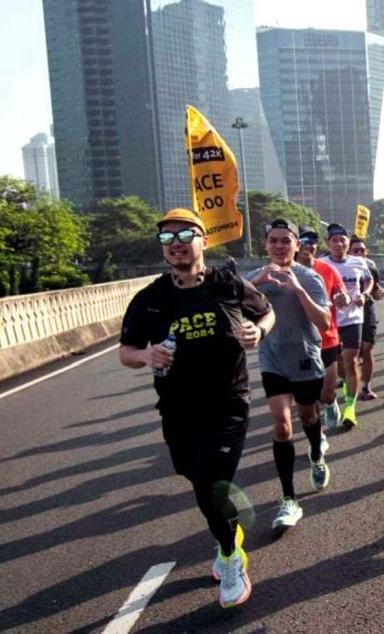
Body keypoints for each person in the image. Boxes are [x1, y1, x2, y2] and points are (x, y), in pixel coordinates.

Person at [118, 208, 274, 609]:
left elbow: (266, 312)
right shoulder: (151, 298)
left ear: (204, 240)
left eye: (185, 235)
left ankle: (229, 556)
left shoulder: (228, 283)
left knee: (211, 480)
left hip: (228, 400)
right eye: (167, 239)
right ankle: (229, 534)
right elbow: (126, 353)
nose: (176, 245)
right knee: (196, 479)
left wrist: (258, 331)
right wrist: (147, 356)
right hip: (177, 406)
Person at [246, 218, 333, 530]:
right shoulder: (255, 278)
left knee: (308, 417)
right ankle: (289, 500)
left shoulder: (309, 278)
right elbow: (227, 305)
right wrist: (256, 282)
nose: (279, 246)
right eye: (273, 240)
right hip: (272, 360)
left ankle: (316, 453)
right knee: (281, 425)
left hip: (306, 358)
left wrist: (297, 290)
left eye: (286, 240)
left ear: (298, 245)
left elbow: (323, 323)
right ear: (266, 244)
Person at [319, 223, 373, 427]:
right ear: (328, 243)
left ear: (348, 243)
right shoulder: (321, 264)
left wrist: (365, 294)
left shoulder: (358, 262)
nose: (339, 244)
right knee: (337, 365)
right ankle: (336, 394)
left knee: (350, 361)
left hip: (353, 318)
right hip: (329, 320)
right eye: (334, 240)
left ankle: (350, 408)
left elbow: (368, 281)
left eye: (342, 240)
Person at [297, 227, 346, 435]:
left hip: (328, 339)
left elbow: (342, 294)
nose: (308, 245)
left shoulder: (327, 269)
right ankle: (317, 437)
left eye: (312, 241)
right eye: (303, 240)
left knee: (326, 392)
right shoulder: (284, 272)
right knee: (309, 397)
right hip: (300, 343)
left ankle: (331, 402)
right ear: (296, 244)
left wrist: (343, 299)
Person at [348, 236, 384, 400]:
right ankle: (347, 379)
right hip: (346, 312)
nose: (359, 253)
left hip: (366, 309)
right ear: (348, 251)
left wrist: (379, 294)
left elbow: (376, 293)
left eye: (362, 250)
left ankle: (366, 387)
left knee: (367, 346)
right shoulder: (340, 267)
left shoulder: (371, 268)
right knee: (349, 352)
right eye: (355, 250)